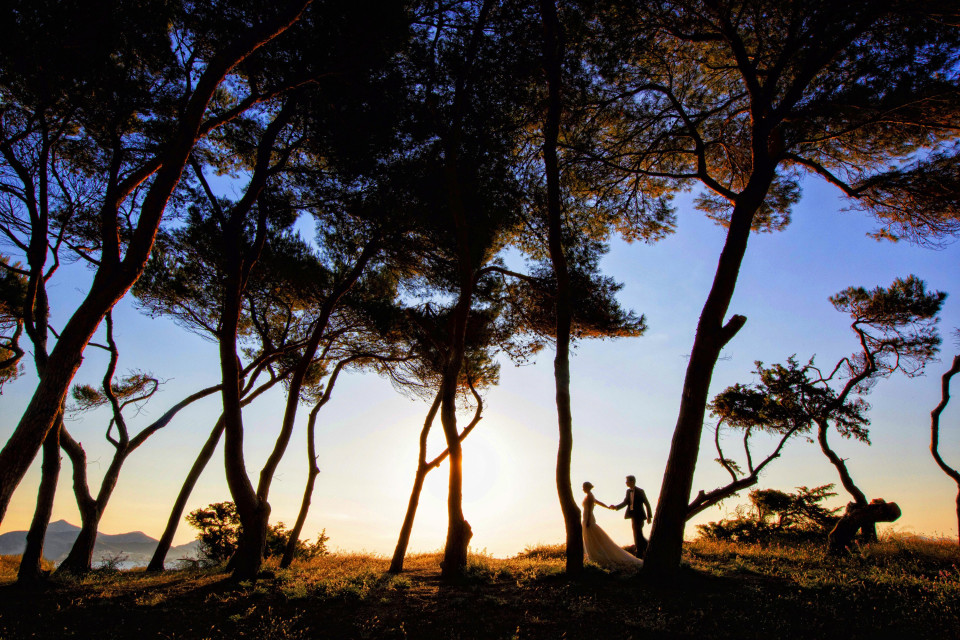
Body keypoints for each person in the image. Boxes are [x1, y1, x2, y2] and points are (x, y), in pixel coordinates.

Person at [581, 482, 643, 568]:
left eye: (583, 487)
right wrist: (607, 507)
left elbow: (589, 510)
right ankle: (592, 556)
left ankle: (596, 556)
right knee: (591, 538)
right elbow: (599, 502)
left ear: (587, 488)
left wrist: (587, 521)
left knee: (591, 537)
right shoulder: (590, 496)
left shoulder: (590, 496)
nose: (582, 489)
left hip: (588, 519)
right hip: (587, 519)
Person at [611, 475, 653, 557]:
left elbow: (647, 504)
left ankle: (644, 549)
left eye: (627, 481)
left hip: (640, 516)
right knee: (636, 533)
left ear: (632, 481)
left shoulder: (640, 491)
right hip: (632, 516)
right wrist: (616, 507)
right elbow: (625, 502)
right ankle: (641, 550)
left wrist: (649, 517)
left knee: (638, 533)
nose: (626, 483)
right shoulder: (628, 491)